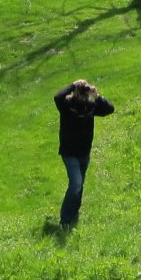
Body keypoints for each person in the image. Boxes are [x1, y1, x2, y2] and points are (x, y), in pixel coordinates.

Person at [54, 78, 114, 229]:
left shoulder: (90, 106)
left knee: (79, 185)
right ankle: (65, 221)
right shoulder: (67, 106)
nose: (83, 96)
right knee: (76, 184)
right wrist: (73, 85)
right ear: (75, 93)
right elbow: (57, 97)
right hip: (69, 153)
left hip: (84, 153)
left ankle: (73, 213)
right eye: (81, 93)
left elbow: (109, 109)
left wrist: (97, 96)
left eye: (84, 93)